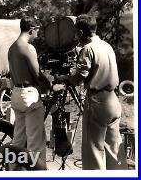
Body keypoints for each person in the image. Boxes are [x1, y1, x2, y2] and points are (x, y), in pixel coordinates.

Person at [55, 14, 127, 170]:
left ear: (81, 32)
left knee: (93, 150)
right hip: (113, 100)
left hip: (98, 102)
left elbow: (78, 79)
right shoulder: (106, 45)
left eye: (76, 32)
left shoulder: (88, 49)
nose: (75, 36)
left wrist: (64, 77)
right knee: (114, 149)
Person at [8, 16, 51, 170]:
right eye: (37, 31)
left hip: (17, 93)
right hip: (29, 94)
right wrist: (50, 84)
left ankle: (14, 170)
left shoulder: (12, 48)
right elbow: (37, 74)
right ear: (31, 30)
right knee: (35, 142)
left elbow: (12, 74)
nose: (37, 34)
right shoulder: (28, 47)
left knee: (18, 140)